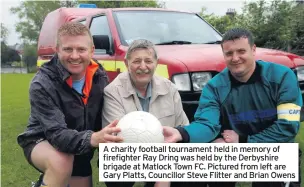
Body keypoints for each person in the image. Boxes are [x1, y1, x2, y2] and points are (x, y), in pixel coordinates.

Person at [162, 28, 302, 187]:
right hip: (232, 151)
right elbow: (207, 124)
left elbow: (288, 126)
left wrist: (244, 141)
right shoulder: (214, 87)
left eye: (241, 51)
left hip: (273, 149)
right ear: (223, 54)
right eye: (229, 53)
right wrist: (181, 133)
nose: (235, 58)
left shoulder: (282, 76)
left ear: (253, 49)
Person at [17, 22, 122, 187]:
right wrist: (93, 138)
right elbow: (57, 135)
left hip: (81, 145)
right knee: (61, 161)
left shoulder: (99, 76)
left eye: (81, 49)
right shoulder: (42, 83)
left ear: (91, 51)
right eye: (68, 49)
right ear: (57, 49)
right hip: (43, 139)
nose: (74, 56)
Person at [101, 39, 189, 187]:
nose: (143, 67)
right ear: (127, 63)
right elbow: (117, 139)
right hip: (127, 155)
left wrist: (165, 172)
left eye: (148, 60)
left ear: (156, 62)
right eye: (136, 61)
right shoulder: (112, 91)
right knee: (113, 163)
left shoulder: (170, 88)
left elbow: (183, 127)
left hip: (166, 152)